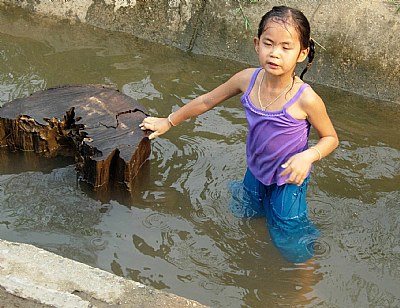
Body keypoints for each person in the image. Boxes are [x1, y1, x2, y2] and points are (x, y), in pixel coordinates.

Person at [139, 6, 339, 263]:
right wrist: (168, 121)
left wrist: (308, 157)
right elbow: (206, 101)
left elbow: (331, 138)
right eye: (269, 43)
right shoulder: (247, 79)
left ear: (302, 53)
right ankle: (254, 259)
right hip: (255, 171)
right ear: (257, 44)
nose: (275, 53)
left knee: (290, 239)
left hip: (289, 179)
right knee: (247, 214)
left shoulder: (306, 99)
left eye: (286, 47)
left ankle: (304, 286)